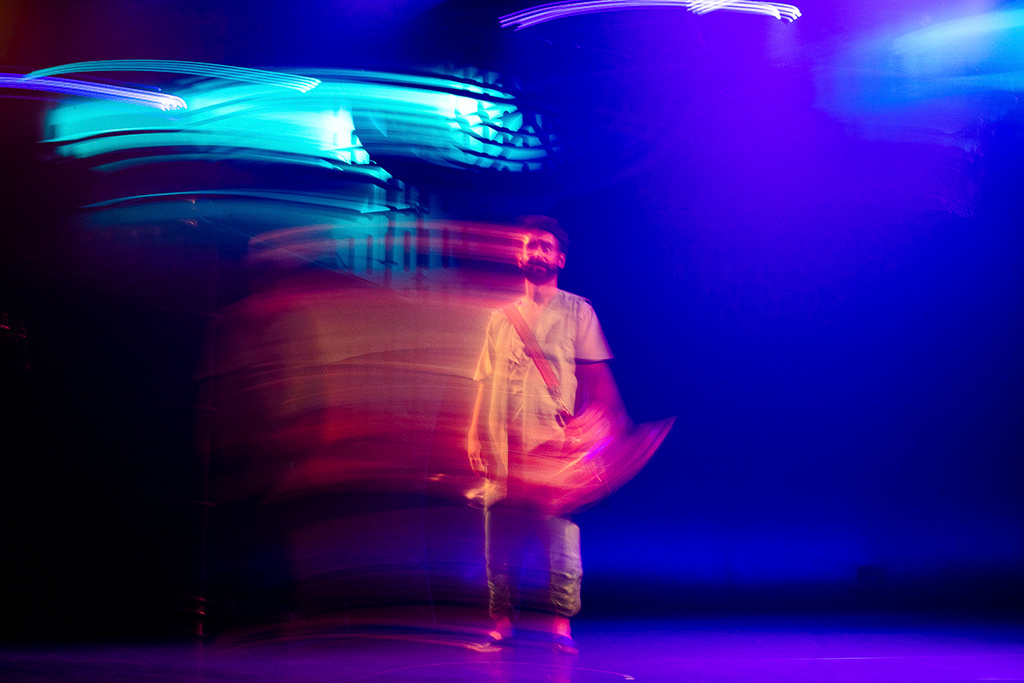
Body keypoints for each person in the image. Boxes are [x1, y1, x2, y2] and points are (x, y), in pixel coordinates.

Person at [467, 216, 626, 654]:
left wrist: (593, 434)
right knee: (498, 540)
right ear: (518, 254)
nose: (536, 251)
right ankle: (502, 623)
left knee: (560, 539)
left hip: (553, 446)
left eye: (545, 246)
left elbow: (597, 380)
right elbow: (484, 380)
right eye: (529, 245)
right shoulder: (499, 319)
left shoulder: (578, 311)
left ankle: (561, 626)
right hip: (503, 444)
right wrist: (474, 433)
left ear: (559, 259)